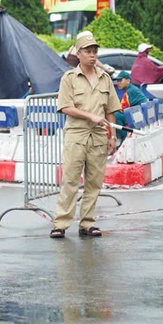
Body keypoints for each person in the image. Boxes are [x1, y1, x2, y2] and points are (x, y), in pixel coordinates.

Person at [50, 31, 121, 239]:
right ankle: (61, 223)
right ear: (79, 54)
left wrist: (112, 136)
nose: (92, 55)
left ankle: (88, 223)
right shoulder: (69, 78)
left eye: (95, 51)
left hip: (99, 136)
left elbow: (110, 110)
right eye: (88, 52)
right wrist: (90, 116)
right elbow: (65, 107)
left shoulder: (104, 79)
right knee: (70, 179)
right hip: (76, 134)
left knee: (94, 181)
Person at [113, 70, 148, 144]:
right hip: (138, 113)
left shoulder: (130, 91)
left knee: (115, 115)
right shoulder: (130, 89)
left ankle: (122, 138)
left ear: (128, 81)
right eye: (117, 81)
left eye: (120, 80)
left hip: (139, 116)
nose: (118, 83)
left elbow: (122, 108)